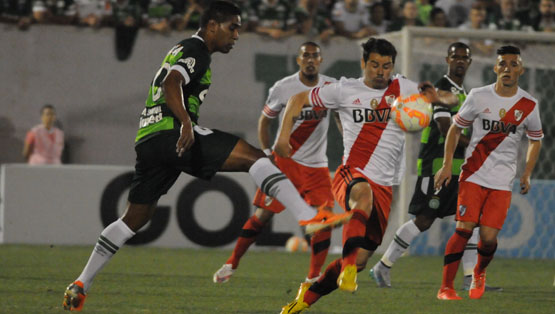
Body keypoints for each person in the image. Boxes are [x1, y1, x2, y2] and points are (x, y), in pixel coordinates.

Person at [61, 1, 350, 311]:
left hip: (148, 138)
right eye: (233, 27)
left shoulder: (185, 49)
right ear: (212, 25)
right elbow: (173, 82)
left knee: (135, 218)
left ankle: (81, 283)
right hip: (172, 132)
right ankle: (308, 216)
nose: (237, 34)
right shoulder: (195, 49)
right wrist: (186, 123)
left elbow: (169, 79)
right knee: (256, 158)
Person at [277, 37, 451, 314]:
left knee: (361, 259)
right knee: (363, 198)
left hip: (385, 184)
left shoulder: (404, 87)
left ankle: (305, 298)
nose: (380, 71)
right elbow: (298, 99)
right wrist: (283, 137)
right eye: (374, 65)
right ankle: (346, 268)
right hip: (351, 173)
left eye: (386, 66)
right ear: (363, 64)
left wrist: (434, 99)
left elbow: (442, 98)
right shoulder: (344, 89)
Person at [212, 42, 343, 296]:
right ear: (298, 60)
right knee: (262, 216)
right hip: (286, 162)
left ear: (321, 60)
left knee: (324, 219)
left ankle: (313, 276)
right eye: (306, 56)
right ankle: (232, 263)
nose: (311, 60)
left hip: (316, 166)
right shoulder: (283, 87)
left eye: (315, 56)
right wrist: (267, 153)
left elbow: (339, 116)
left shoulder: (331, 87)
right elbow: (265, 121)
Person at [370, 42, 501, 292]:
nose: (460, 61)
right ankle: (383, 266)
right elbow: (444, 129)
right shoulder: (441, 90)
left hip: (460, 168)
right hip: (437, 167)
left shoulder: (462, 92)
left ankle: (468, 279)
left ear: (470, 62)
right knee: (424, 219)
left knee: (470, 220)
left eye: (464, 58)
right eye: (455, 57)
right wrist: (478, 146)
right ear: (447, 60)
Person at [435, 45, 543, 300]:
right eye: (502, 63)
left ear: (521, 70)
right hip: (473, 174)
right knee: (463, 229)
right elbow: (455, 129)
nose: (507, 68)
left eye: (513, 64)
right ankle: (446, 287)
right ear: (495, 68)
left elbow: (535, 140)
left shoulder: (529, 104)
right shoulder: (478, 96)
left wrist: (526, 173)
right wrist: (447, 164)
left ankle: (479, 272)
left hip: (502, 180)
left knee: (488, 238)